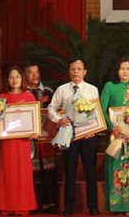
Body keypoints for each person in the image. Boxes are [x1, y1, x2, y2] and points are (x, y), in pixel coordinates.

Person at [48, 57, 100, 215]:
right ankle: (68, 207)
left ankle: (93, 206)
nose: (76, 72)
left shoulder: (92, 89)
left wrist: (94, 129)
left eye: (79, 69)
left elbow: (97, 113)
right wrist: (59, 119)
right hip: (68, 134)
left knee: (90, 170)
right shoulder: (62, 89)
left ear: (85, 72)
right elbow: (51, 107)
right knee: (69, 171)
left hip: (88, 135)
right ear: (69, 71)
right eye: (73, 69)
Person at [100, 56, 129, 213]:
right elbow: (102, 110)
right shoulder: (110, 86)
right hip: (116, 137)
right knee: (117, 168)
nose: (125, 71)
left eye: (128, 68)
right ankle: (118, 206)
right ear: (117, 70)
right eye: (122, 68)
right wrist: (112, 128)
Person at [0, 66, 37, 215]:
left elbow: (34, 118)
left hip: (23, 141)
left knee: (22, 173)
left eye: (18, 76)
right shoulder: (2, 97)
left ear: (22, 79)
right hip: (8, 140)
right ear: (7, 80)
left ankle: (23, 206)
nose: (15, 80)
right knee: (8, 171)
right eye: (11, 77)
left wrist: (34, 131)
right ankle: (7, 206)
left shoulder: (29, 96)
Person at [24, 63, 59, 213]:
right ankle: (31, 204)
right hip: (29, 138)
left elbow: (56, 111)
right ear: (25, 75)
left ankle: (50, 203)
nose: (34, 76)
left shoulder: (48, 91)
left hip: (47, 138)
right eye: (30, 73)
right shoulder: (22, 93)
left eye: (36, 72)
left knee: (49, 171)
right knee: (31, 174)